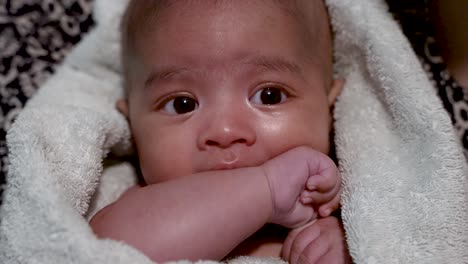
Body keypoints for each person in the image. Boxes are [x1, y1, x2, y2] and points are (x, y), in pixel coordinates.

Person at [89, 0, 350, 263]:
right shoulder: (138, 208)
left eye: (269, 96)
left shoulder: (346, 220)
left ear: (330, 111)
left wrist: (346, 250)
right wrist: (266, 190)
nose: (224, 131)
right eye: (183, 105)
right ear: (133, 124)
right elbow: (103, 251)